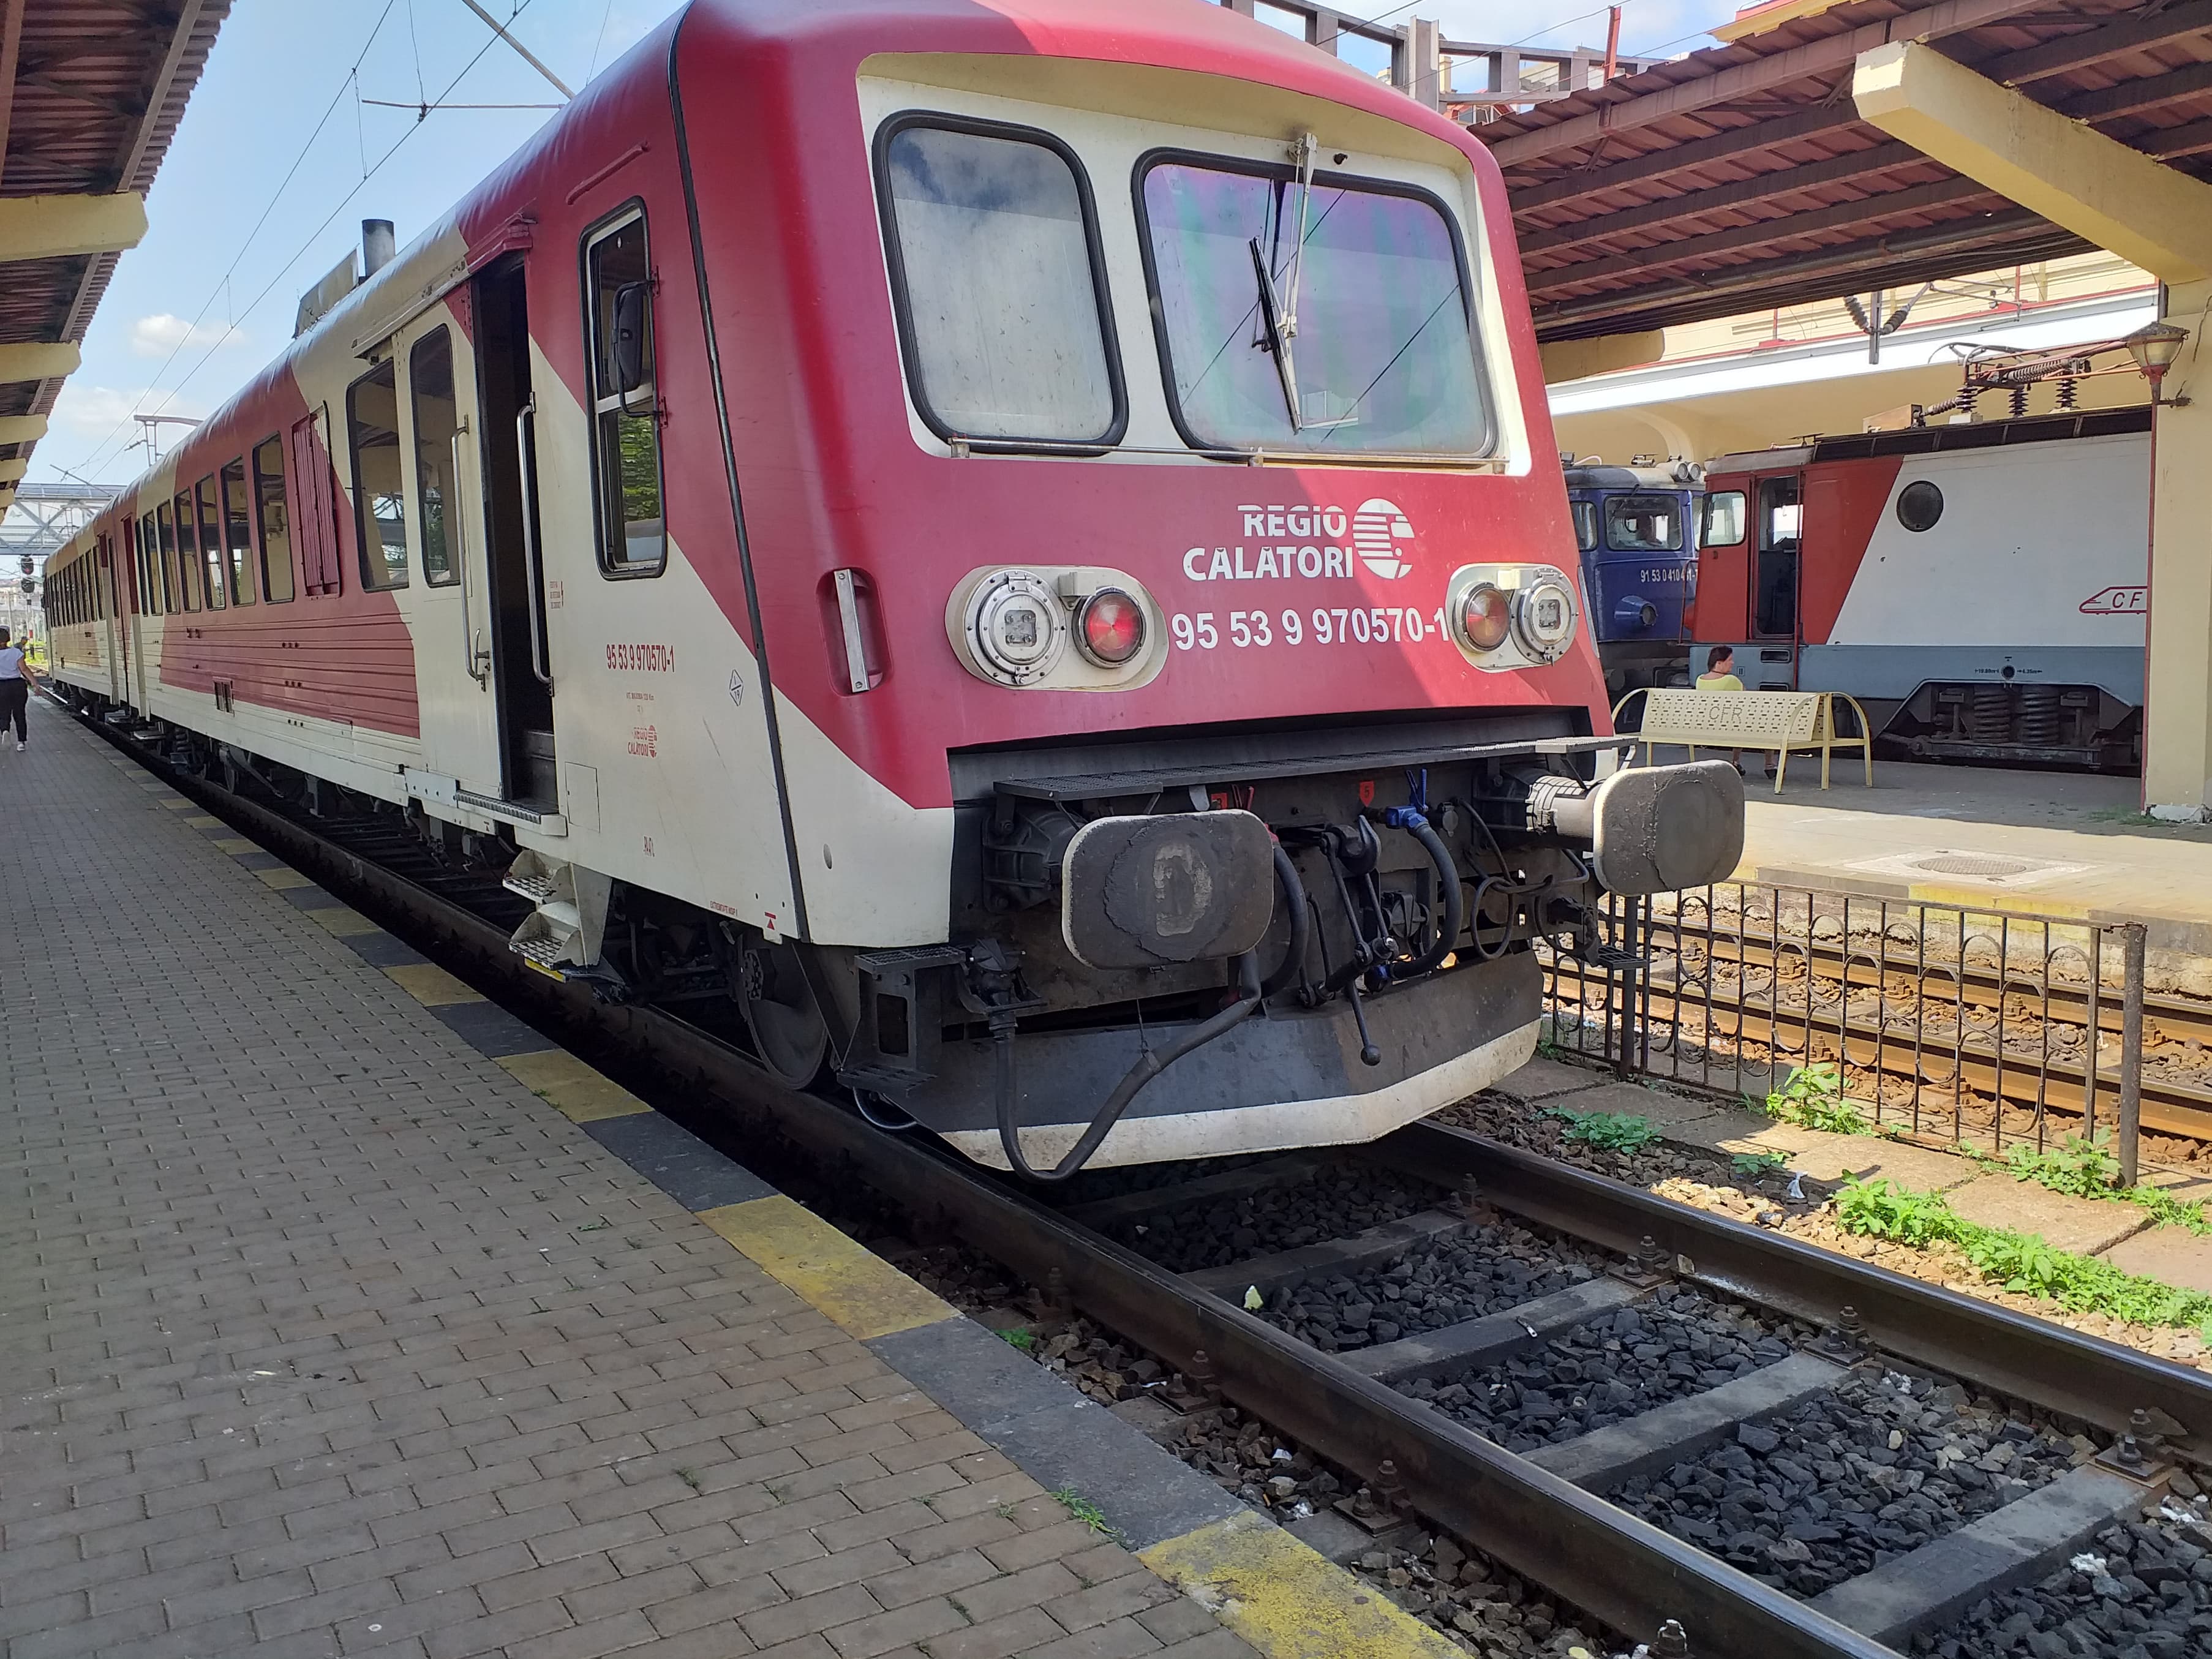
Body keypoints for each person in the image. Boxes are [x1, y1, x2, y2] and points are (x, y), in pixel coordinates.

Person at [1695, 645, 1771, 777]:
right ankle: (1770, 765)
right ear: (1719, 663)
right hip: (1728, 727)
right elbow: (1749, 699)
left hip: (1706, 725)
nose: (1732, 663)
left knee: (1739, 725)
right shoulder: (1731, 680)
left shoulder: (1700, 680)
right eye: (1729, 660)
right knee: (1766, 726)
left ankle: (1736, 762)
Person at [0, 627, 34, 751]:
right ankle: (21, 743)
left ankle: (5, 731)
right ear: (7, 639)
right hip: (17, 685)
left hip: (1, 686)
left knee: (3, 713)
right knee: (20, 713)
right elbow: (24, 669)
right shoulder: (16, 652)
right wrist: (35, 683)